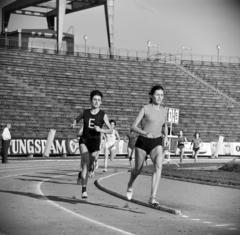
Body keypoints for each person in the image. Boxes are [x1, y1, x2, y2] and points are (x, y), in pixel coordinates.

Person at [126, 85, 168, 206]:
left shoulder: (165, 111)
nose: (159, 97)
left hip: (157, 142)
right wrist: (145, 133)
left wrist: (165, 137)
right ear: (151, 96)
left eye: (161, 95)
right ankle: (130, 184)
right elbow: (133, 127)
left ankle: (152, 197)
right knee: (138, 170)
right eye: (157, 94)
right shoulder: (145, 108)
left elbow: (166, 126)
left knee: (159, 166)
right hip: (143, 142)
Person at [71, 90, 112, 199]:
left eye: (99, 100)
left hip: (95, 143)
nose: (96, 102)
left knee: (89, 166)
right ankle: (84, 190)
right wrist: (74, 123)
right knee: (85, 163)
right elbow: (76, 119)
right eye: (94, 99)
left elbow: (111, 130)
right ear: (90, 100)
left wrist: (101, 129)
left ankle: (81, 175)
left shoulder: (103, 115)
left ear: (101, 102)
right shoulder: (85, 112)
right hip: (84, 140)